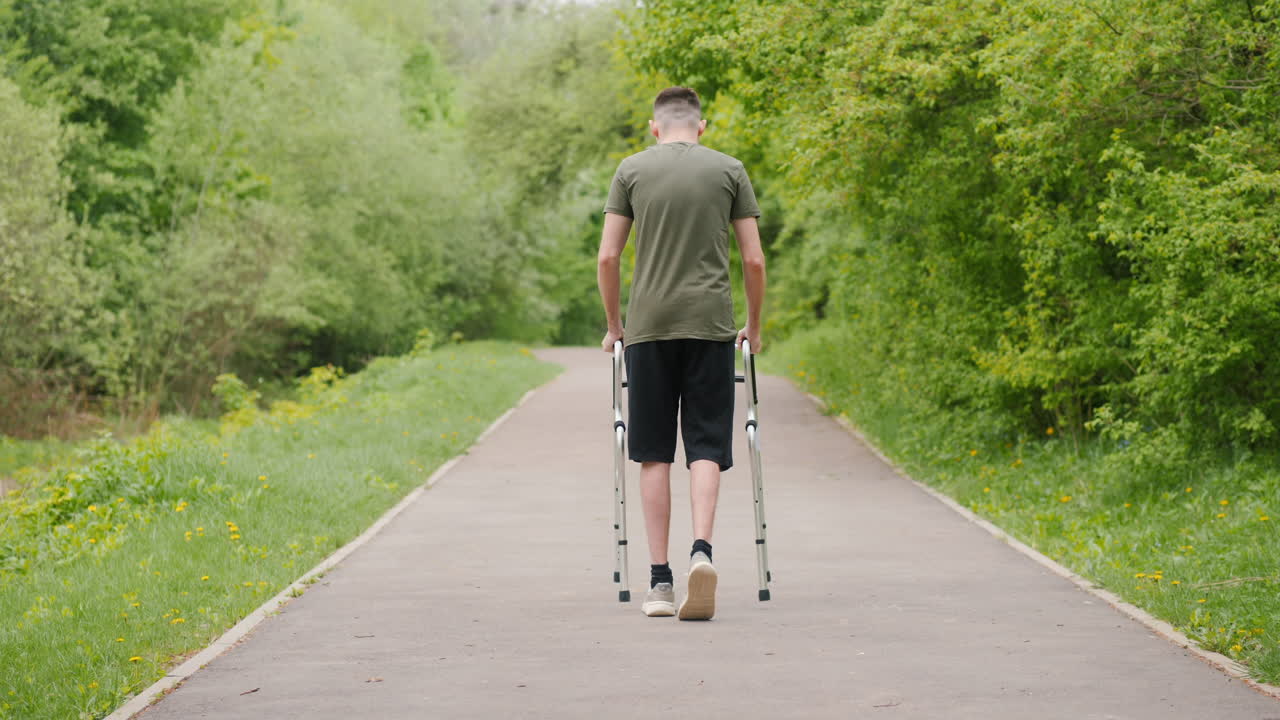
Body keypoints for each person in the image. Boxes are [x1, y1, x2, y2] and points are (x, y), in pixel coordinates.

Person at [597, 86, 766, 620]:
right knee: (707, 445)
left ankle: (659, 582)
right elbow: (754, 261)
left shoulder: (631, 170)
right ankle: (702, 552)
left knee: (653, 453)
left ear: (654, 127)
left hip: (648, 329)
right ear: (702, 126)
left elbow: (608, 257)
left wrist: (615, 326)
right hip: (712, 326)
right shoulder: (729, 170)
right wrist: (754, 326)